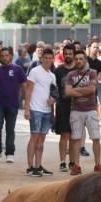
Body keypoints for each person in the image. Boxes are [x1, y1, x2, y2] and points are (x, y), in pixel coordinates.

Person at [65, 51, 101, 175]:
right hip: (76, 110)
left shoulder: (92, 73)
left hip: (91, 109)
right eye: (77, 59)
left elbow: (92, 90)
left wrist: (76, 90)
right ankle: (76, 165)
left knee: (96, 137)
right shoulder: (71, 74)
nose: (78, 61)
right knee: (75, 139)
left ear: (85, 60)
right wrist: (83, 91)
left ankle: (98, 164)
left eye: (81, 58)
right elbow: (68, 92)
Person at [0, 47, 26, 165]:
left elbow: (24, 85)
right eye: (3, 55)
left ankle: (10, 153)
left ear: (10, 56)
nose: (5, 57)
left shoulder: (18, 69)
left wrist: (25, 99)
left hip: (13, 104)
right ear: (0, 57)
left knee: (10, 129)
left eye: (7, 55)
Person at [24, 47, 57, 177]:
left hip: (47, 110)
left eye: (50, 58)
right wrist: (27, 108)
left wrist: (53, 100)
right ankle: (30, 166)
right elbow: (28, 90)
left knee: (42, 139)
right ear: (41, 59)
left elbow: (54, 92)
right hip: (35, 109)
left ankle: (38, 165)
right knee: (34, 137)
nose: (48, 60)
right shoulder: (34, 71)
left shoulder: (52, 75)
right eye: (46, 58)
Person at [53, 44, 77, 172]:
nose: (68, 56)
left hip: (77, 106)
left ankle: (72, 162)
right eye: (66, 53)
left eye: (70, 53)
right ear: (63, 54)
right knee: (64, 135)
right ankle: (62, 161)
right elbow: (54, 88)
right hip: (62, 106)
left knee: (74, 136)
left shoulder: (79, 69)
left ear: (74, 54)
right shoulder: (58, 71)